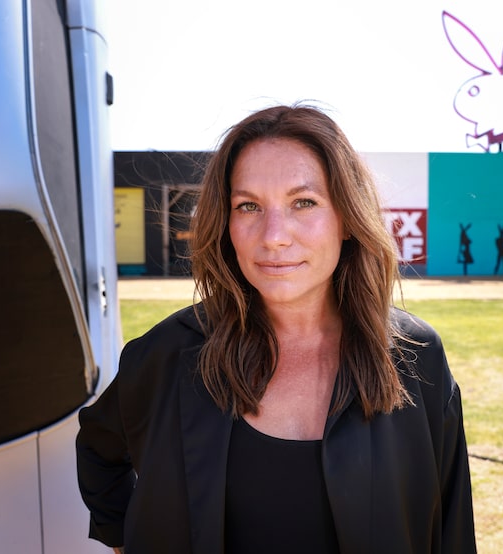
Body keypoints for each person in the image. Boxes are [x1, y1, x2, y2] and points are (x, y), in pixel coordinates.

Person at [76, 104, 476, 553]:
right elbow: (98, 449)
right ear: (226, 224)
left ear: (347, 218)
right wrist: (124, 540)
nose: (273, 235)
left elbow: (451, 523)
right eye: (248, 206)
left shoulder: (416, 356)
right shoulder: (167, 354)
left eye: (303, 202)